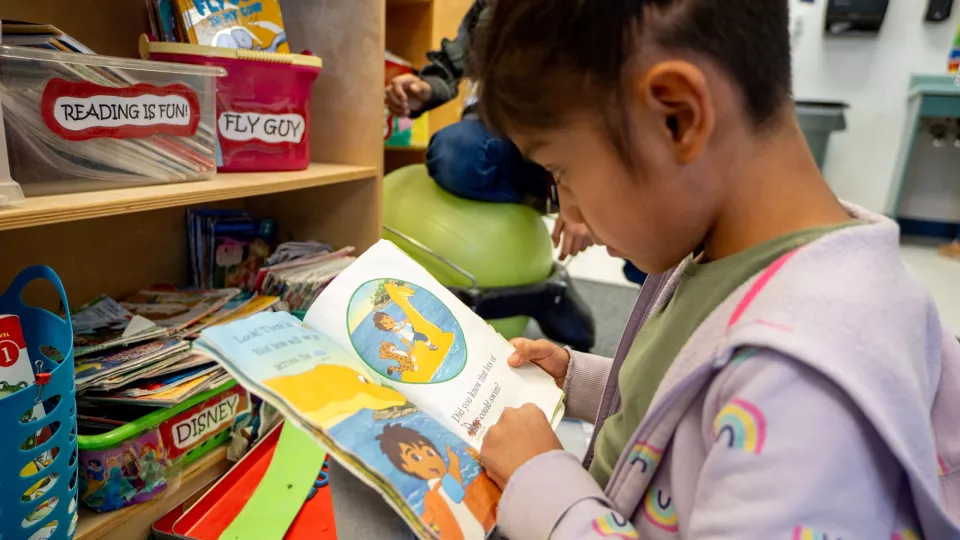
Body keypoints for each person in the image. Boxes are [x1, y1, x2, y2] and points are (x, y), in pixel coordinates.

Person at [472, 0, 960, 539]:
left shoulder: (806, 390)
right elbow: (685, 390)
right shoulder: (722, 254)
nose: (569, 209)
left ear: (676, 116)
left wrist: (543, 486)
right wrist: (577, 377)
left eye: (560, 170)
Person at [385, 0, 601, 265]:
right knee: (454, 152)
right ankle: (530, 201)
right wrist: (426, 89)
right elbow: (454, 61)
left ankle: (554, 192)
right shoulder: (490, 9)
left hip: (573, 137)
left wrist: (582, 193)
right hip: (501, 131)